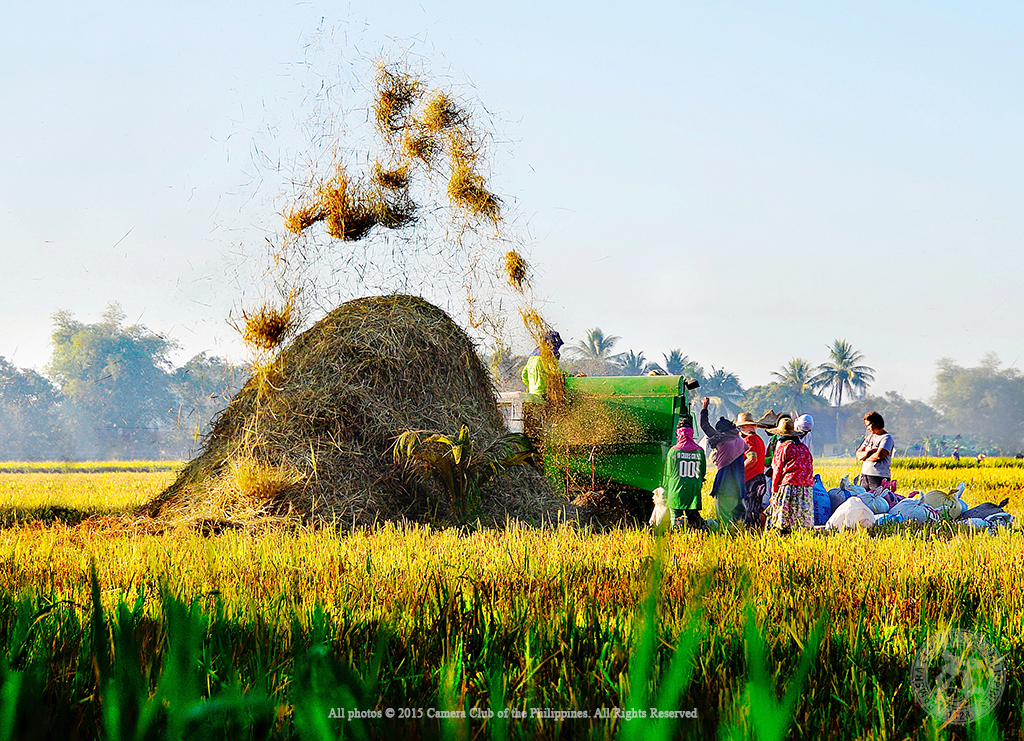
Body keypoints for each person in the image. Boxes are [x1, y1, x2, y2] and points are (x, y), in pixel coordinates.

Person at [699, 397, 746, 525]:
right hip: (740, 487)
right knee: (737, 523)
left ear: (720, 431)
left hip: (725, 485)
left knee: (724, 522)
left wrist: (704, 407)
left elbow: (704, 425)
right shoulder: (741, 442)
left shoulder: (722, 439)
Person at [765, 416, 814, 532]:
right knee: (800, 520)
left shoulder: (783, 447)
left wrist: (773, 490)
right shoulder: (804, 448)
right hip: (806, 489)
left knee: (782, 519)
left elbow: (777, 469)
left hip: (789, 486)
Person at [662, 419, 707, 530]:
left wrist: (665, 489)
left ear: (678, 433)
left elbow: (668, 473)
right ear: (691, 432)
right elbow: (702, 472)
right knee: (693, 521)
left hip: (675, 491)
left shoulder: (673, 451)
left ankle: (677, 540)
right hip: (693, 492)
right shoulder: (699, 451)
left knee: (676, 519)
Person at [735, 412, 767, 528]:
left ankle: (752, 534)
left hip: (751, 480)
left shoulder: (749, 440)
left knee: (750, 511)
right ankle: (758, 533)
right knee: (756, 509)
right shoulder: (759, 440)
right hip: (760, 478)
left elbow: (752, 459)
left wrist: (738, 471)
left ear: (744, 427)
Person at [856, 411, 894, 490]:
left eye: (869, 425)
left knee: (880, 499)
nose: (868, 428)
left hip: (879, 477)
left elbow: (879, 456)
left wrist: (864, 457)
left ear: (876, 423)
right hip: (865, 475)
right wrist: (867, 453)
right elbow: (858, 454)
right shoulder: (869, 438)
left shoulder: (886, 438)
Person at [521, 330, 564, 396]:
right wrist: (572, 377)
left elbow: (524, 375)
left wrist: (531, 386)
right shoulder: (548, 357)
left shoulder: (531, 358)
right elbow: (558, 374)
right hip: (544, 393)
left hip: (532, 393)